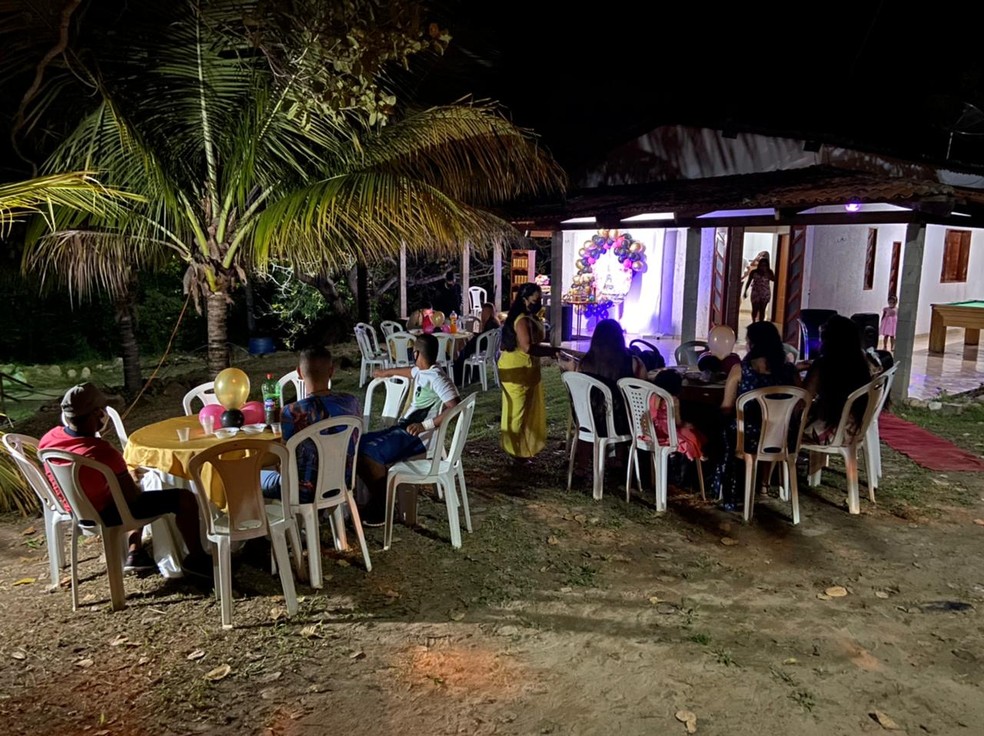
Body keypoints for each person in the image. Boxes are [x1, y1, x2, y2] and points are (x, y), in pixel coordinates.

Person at [39, 383, 210, 576]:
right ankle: (197, 558)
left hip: (74, 509)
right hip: (106, 513)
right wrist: (134, 478)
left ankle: (135, 551)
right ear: (97, 414)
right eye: (103, 410)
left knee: (124, 490)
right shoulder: (103, 452)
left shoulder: (49, 439)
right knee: (184, 498)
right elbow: (132, 497)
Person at [357, 333, 460, 524]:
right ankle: (370, 499)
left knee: (368, 454)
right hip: (404, 428)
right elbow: (409, 371)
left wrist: (425, 425)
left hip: (417, 436)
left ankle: (383, 507)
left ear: (416, 353)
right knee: (357, 443)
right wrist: (385, 373)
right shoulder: (422, 370)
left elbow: (455, 407)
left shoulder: (437, 378)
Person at [711, 322, 800, 509]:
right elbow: (799, 406)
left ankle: (724, 483)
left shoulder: (741, 370)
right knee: (771, 424)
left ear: (752, 344)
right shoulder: (790, 371)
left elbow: (726, 406)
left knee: (723, 425)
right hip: (783, 437)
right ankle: (764, 485)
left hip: (749, 438)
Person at [260, 347, 360, 503]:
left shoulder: (292, 411)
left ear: (299, 373)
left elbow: (284, 461)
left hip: (303, 490)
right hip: (342, 482)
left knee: (248, 476)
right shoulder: (351, 402)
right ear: (331, 371)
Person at [498, 283, 556, 459]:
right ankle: (513, 452)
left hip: (525, 370)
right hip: (517, 371)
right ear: (525, 299)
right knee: (517, 413)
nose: (539, 302)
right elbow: (526, 347)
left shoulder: (528, 316)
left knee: (522, 412)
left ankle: (519, 450)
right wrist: (552, 352)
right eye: (536, 299)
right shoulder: (521, 319)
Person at [803, 315, 872, 445]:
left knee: (786, 426)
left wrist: (794, 372)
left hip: (830, 432)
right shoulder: (861, 363)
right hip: (854, 430)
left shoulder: (824, 364)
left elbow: (804, 397)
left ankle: (779, 463)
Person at [577, 318, 647, 436]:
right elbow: (644, 389)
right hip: (624, 424)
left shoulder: (584, 363)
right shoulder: (633, 363)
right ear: (620, 339)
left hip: (590, 421)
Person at [649, 369, 706, 462]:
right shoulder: (673, 400)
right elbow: (678, 422)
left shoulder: (650, 396)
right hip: (667, 433)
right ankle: (698, 455)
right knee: (691, 433)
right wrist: (686, 424)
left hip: (650, 432)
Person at [452, 302, 501, 386]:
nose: (482, 314)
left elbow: (483, 338)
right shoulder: (494, 322)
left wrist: (474, 337)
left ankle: (459, 377)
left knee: (464, 353)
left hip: (482, 348)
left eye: (483, 312)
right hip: (488, 349)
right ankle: (471, 375)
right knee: (464, 350)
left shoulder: (490, 324)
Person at [743, 254, 775, 323]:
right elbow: (748, 282)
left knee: (762, 310)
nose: (763, 267)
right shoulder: (754, 272)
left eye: (765, 265)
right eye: (762, 265)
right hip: (755, 293)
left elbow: (774, 279)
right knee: (755, 309)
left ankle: (761, 323)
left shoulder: (769, 272)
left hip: (765, 293)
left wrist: (767, 274)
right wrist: (745, 291)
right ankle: (754, 322)